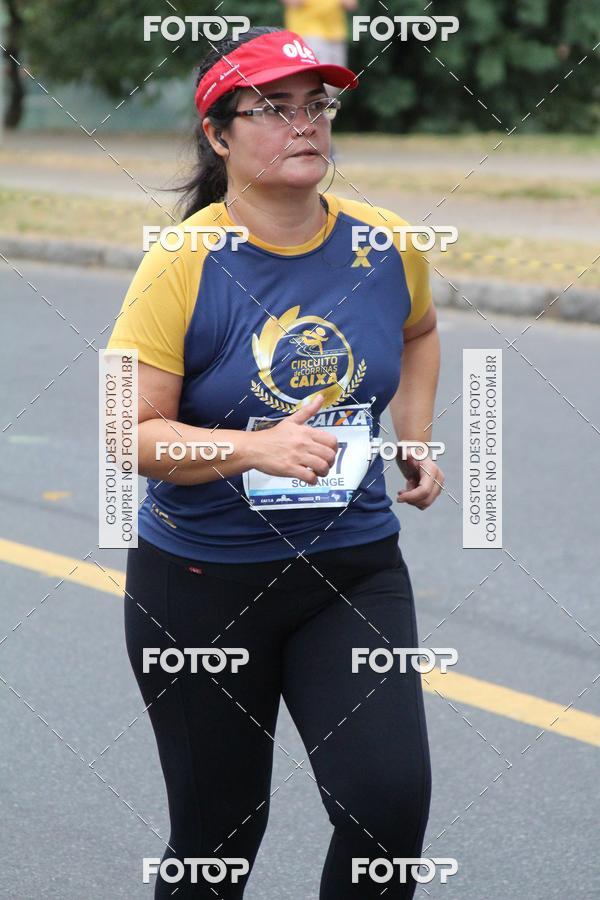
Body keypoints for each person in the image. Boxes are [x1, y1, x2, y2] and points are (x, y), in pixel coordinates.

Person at [108, 25, 444, 899]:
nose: (305, 126)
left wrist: (414, 433)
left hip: (352, 569)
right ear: (219, 138)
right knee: (219, 836)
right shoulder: (183, 263)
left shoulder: (386, 244)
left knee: (389, 812)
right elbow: (128, 434)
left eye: (317, 106)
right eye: (273, 110)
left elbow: (420, 332)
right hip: (202, 582)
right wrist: (256, 447)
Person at [281, 0, 358, 95]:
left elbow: (351, 4)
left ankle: (322, 107)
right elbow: (294, 2)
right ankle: (312, 106)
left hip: (335, 33)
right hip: (308, 31)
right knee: (315, 78)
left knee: (336, 81)